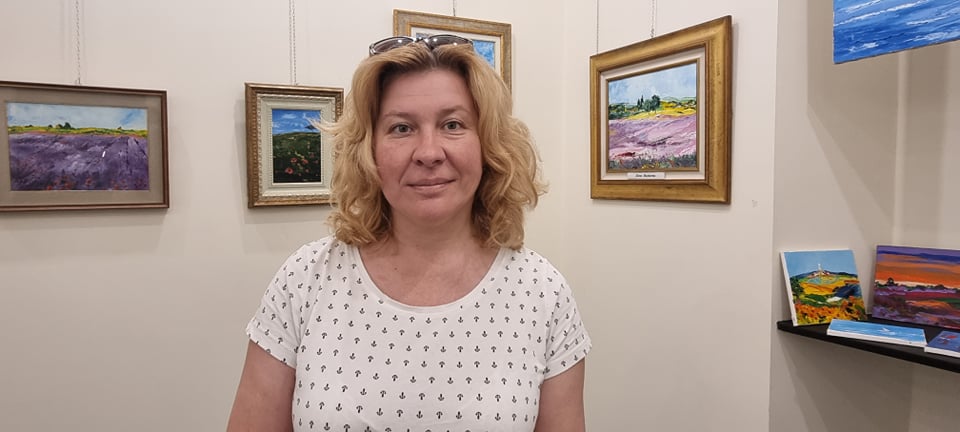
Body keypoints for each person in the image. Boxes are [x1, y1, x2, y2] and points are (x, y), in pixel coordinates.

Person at [227, 34, 591, 432]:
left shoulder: (543, 294)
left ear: (488, 145)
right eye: (401, 128)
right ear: (368, 149)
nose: (429, 152)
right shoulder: (304, 279)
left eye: (453, 124)